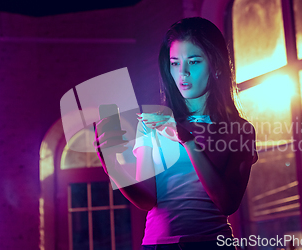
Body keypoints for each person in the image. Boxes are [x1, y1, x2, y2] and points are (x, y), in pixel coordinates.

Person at [94, 17, 258, 250]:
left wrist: (188, 141)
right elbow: (147, 200)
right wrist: (109, 160)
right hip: (157, 245)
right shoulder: (152, 123)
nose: (183, 72)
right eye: (174, 63)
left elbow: (227, 203)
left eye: (194, 61)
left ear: (217, 66)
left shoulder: (239, 130)